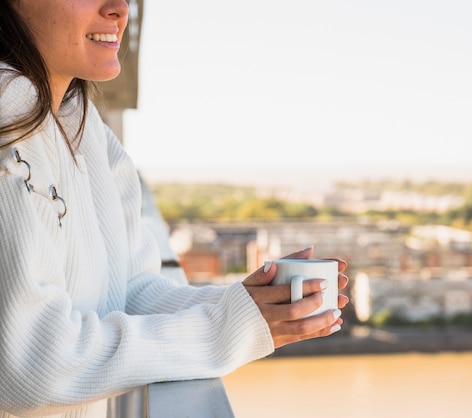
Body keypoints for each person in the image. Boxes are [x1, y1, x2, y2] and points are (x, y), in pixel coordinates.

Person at [0, 1, 349, 417]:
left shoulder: (81, 120)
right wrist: (225, 330)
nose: (118, 8)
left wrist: (246, 305)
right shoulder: (9, 111)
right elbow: (29, 363)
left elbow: (132, 291)